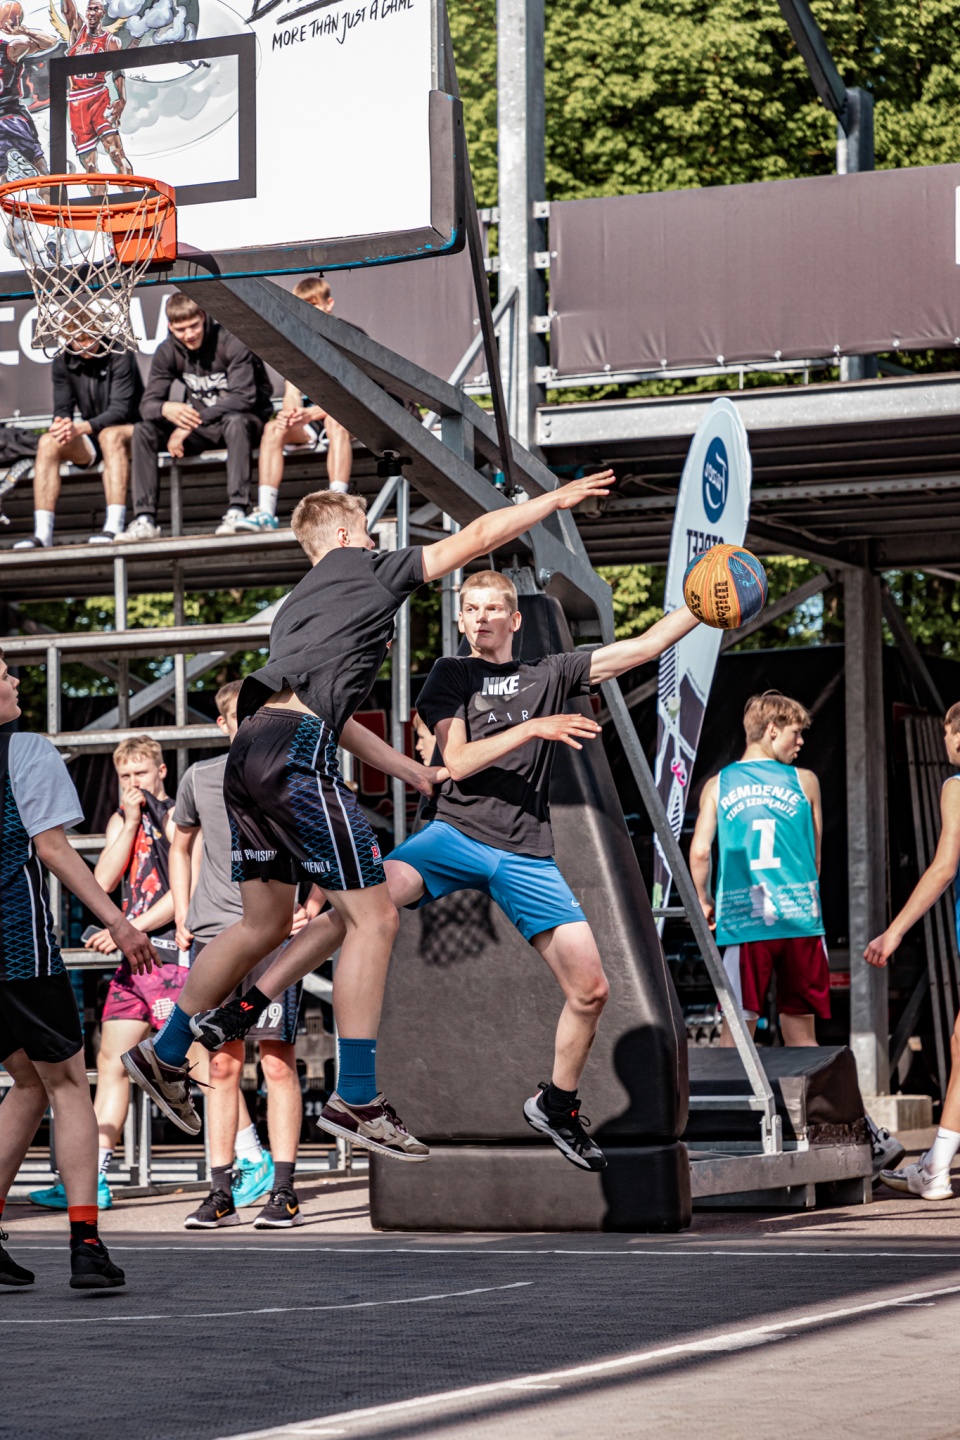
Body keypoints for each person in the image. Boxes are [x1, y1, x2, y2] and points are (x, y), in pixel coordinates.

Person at [121, 473, 617, 1160]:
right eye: (369, 532)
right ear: (346, 535)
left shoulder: (298, 606)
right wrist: (550, 503)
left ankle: (167, 1051)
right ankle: (356, 1096)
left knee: (262, 924)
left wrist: (409, 769)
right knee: (376, 916)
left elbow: (335, 713)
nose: (378, 542)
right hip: (297, 755)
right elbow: (477, 536)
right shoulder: (365, 569)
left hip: (249, 752)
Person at [191, 570, 707, 1170]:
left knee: (591, 990)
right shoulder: (452, 674)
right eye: (471, 608)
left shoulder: (550, 672)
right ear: (461, 620)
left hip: (525, 850)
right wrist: (535, 726)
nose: (482, 617)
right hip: (454, 834)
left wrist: (704, 605)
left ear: (515, 619)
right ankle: (246, 1006)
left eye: (493, 608)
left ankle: (557, 1105)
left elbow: (644, 646)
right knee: (359, 906)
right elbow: (457, 761)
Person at [689, 689, 905, 1179]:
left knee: (736, 1034)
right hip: (800, 921)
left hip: (745, 922)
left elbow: (700, 852)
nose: (802, 742)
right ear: (771, 731)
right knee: (802, 1036)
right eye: (796, 732)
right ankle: (847, 1135)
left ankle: (728, 1141)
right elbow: (817, 856)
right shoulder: (805, 781)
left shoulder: (719, 785)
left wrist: (702, 899)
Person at [0, 651, 155, 1288]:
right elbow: (53, 848)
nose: (14, 679)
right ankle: (86, 1244)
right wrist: (118, 922)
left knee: (26, 1081)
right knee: (67, 1084)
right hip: (17, 948)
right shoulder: (24, 750)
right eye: (2, 672)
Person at [171, 680, 309, 1229]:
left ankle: (284, 1190)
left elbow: (324, 840)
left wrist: (311, 905)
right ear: (224, 724)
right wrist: (182, 910)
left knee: (276, 1060)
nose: (249, 725)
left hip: (273, 936)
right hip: (215, 936)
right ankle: (221, 1190)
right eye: (239, 717)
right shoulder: (199, 777)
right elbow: (180, 840)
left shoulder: (288, 772)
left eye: (258, 716)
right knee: (220, 1064)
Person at [30, 735, 184, 1210]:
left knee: (196, 1065)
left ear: (161, 771)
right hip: (134, 959)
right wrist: (131, 820)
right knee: (112, 1062)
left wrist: (131, 928)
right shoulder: (123, 817)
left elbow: (184, 893)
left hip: (170, 955)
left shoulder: (177, 814)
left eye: (141, 772)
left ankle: (245, 1158)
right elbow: (102, 882)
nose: (133, 783)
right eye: (125, 776)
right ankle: (92, 1177)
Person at [865, 701, 960, 1200]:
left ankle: (936, 1168)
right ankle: (935, 1165)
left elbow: (944, 866)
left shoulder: (956, 786)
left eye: (948, 732)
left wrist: (895, 930)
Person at [122, 294, 274, 542]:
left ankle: (237, 510)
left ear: (203, 317)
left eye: (193, 326)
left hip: (245, 424)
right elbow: (147, 405)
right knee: (143, 430)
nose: (189, 334)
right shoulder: (168, 350)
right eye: (181, 329)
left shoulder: (230, 341)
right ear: (170, 327)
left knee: (236, 421)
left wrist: (192, 422)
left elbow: (244, 398)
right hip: (203, 429)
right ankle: (145, 519)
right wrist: (166, 408)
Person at [238, 276, 353, 534]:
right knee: (273, 429)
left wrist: (312, 413)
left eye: (314, 305)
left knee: (336, 421)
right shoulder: (295, 342)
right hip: (312, 421)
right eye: (301, 306)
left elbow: (355, 399)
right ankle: (265, 513)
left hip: (347, 418)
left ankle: (339, 506)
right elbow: (292, 391)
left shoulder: (348, 337)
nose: (307, 313)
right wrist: (289, 414)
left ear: (329, 304)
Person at [13, 325, 143, 549]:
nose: (85, 345)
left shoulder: (120, 352)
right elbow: (62, 409)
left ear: (100, 332)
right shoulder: (63, 361)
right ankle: (42, 535)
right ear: (67, 339)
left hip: (131, 432)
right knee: (48, 442)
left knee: (110, 436)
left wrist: (81, 428)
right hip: (93, 435)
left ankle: (114, 526)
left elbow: (120, 411)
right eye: (78, 340)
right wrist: (61, 424)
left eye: (89, 338)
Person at [56, 0, 132, 183]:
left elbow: (118, 72)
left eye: (96, 9)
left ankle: (131, 196)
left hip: (99, 97)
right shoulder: (77, 32)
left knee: (116, 152)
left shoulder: (111, 41)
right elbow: (68, 10)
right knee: (90, 167)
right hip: (77, 104)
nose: (91, 12)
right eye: (89, 9)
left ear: (102, 13)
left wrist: (122, 98)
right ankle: (100, 202)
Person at [0, 2, 56, 185]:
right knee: (5, 179)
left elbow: (50, 42)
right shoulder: (12, 49)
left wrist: (23, 31)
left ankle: (52, 194)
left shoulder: (10, 48)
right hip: (9, 117)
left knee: (41, 169)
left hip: (10, 114)